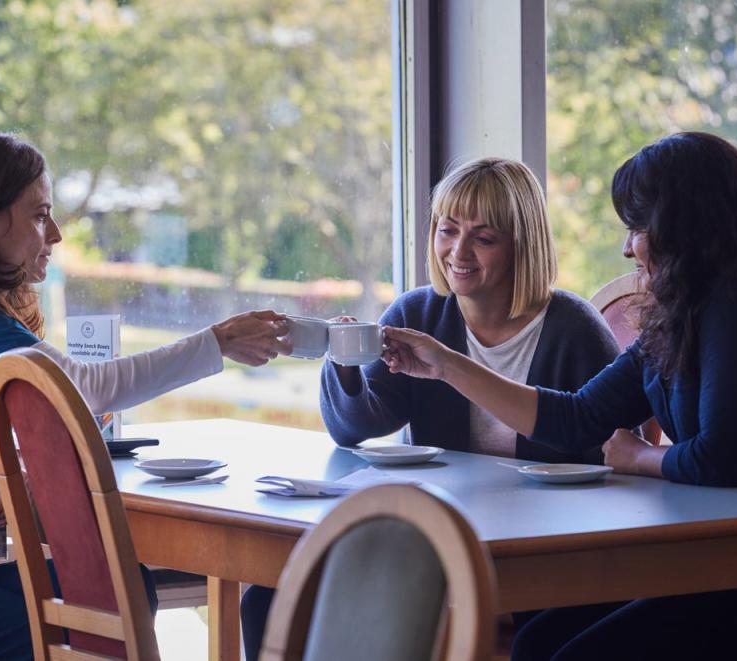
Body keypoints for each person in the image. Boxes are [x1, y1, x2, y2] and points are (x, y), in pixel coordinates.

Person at [382, 132, 737, 660]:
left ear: (685, 228)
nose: (626, 246)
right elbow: (577, 417)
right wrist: (448, 365)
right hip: (725, 550)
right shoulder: (683, 314)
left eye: (638, 227)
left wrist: (641, 457)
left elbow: (721, 457)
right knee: (538, 640)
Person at [0, 133, 291, 660]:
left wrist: (1, 464)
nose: (57, 233)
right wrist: (216, 343)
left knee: (123, 593)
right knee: (80, 621)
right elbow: (81, 389)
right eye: (41, 214)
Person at [241, 157, 621, 661]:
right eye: (447, 230)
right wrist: (346, 360)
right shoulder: (418, 313)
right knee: (269, 597)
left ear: (522, 245)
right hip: (443, 531)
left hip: (545, 546)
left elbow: (607, 444)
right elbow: (355, 430)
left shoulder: (574, 328)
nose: (457, 252)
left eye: (483, 238)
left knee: (544, 639)